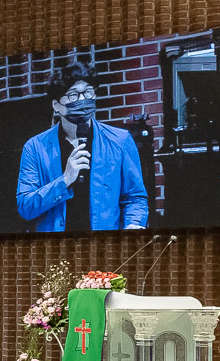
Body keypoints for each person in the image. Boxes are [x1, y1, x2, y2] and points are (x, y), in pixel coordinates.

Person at [13, 61, 150, 233]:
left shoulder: (120, 141)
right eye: (73, 95)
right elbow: (26, 207)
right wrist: (65, 180)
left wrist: (134, 224)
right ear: (56, 105)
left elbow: (135, 197)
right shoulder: (35, 147)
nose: (82, 100)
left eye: (88, 92)